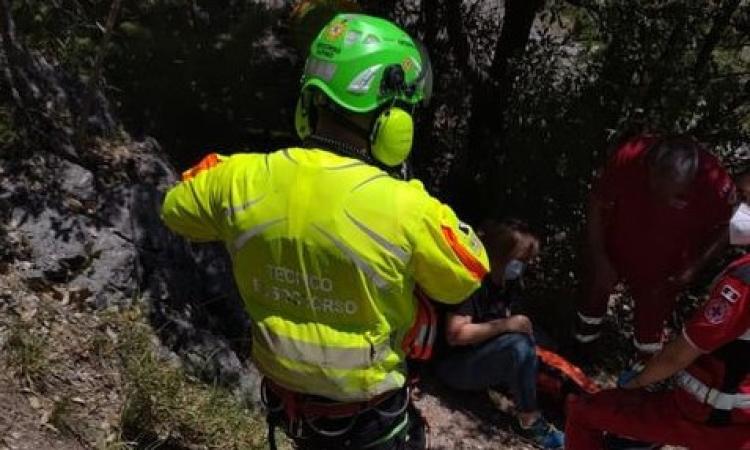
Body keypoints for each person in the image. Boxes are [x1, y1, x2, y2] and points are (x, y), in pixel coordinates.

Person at [160, 13, 490, 450]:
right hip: (367, 422)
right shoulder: (407, 208)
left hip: (290, 409)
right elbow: (469, 270)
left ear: (308, 104)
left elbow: (176, 207)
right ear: (393, 123)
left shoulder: (241, 179)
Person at [565, 244, 750, 449]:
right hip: (734, 421)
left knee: (584, 413)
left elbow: (679, 354)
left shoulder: (744, 282)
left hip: (706, 416)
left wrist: (635, 382)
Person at [575, 135, 735, 358]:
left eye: (676, 196)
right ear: (650, 168)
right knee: (594, 293)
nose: (665, 201)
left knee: (652, 319)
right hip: (618, 243)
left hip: (667, 265)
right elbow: (597, 201)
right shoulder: (630, 157)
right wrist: (600, 258)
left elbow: (730, 228)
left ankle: (644, 374)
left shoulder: (716, 184)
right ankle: (583, 349)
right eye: (658, 190)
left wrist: (693, 269)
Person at [435, 219, 565, 449]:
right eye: (521, 260)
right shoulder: (473, 281)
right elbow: (455, 334)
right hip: (452, 367)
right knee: (519, 346)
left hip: (477, 356)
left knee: (539, 343)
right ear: (501, 254)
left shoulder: (505, 282)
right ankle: (530, 421)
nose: (524, 266)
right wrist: (506, 325)